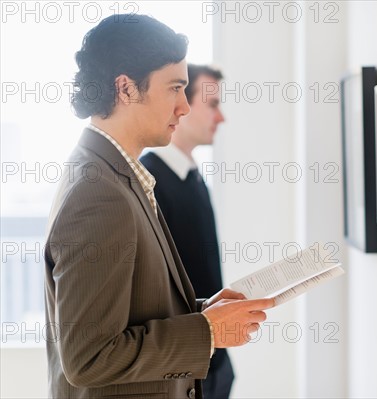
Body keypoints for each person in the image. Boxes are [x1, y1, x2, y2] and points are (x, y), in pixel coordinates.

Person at [44, 14, 274, 399]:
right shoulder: (98, 193)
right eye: (175, 88)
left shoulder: (114, 175)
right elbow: (88, 357)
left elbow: (132, 314)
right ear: (126, 89)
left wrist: (203, 311)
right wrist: (207, 331)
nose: (184, 107)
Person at [140, 66, 233, 398]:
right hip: (184, 370)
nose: (220, 117)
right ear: (182, 105)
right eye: (213, 104)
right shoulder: (148, 182)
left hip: (212, 362)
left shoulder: (192, 177)